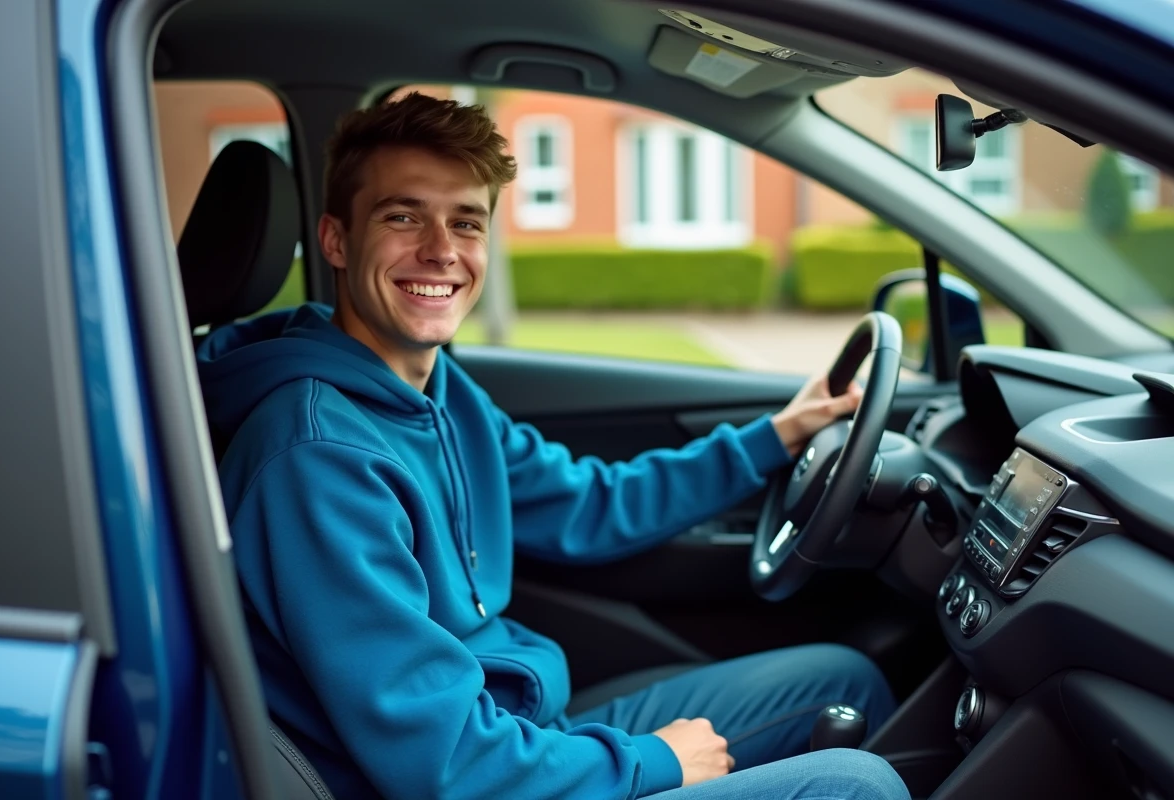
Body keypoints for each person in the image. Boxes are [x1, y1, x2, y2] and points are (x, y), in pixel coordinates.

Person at [197, 91, 909, 800]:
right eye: (404, 216)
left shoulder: (439, 394)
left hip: (529, 737)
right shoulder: (317, 457)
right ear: (336, 240)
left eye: (466, 222)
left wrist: (777, 435)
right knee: (856, 787)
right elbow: (445, 765)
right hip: (475, 775)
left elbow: (591, 505)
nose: (442, 250)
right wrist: (649, 763)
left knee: (846, 681)